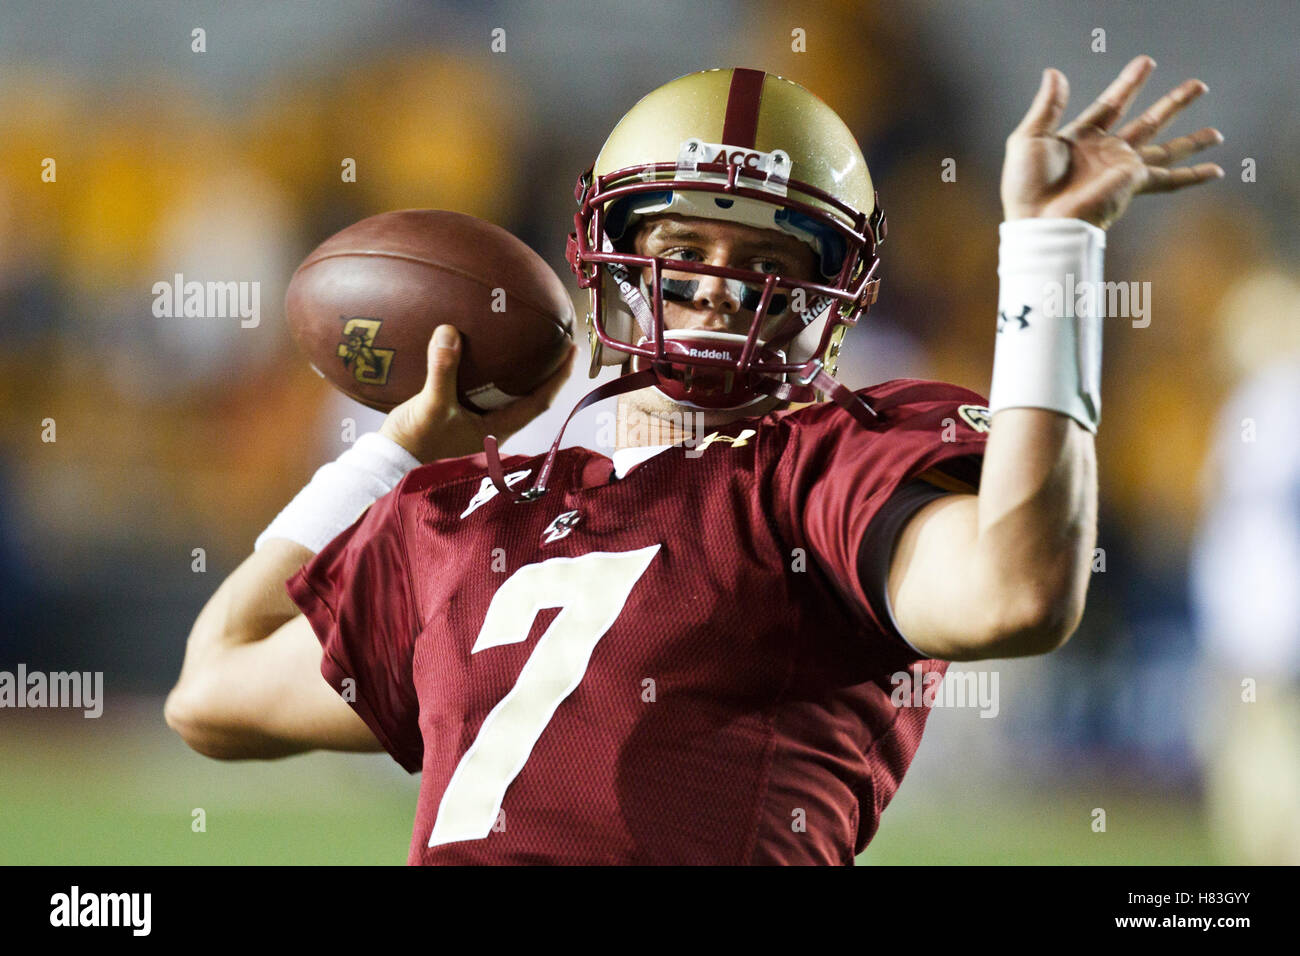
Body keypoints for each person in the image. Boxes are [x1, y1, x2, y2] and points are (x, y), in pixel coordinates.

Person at [166, 61, 1222, 864]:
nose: (721, 288)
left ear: (831, 295)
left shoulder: (821, 471)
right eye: (684, 251)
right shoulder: (471, 515)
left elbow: (1018, 592)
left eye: (767, 260)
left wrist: (1050, 251)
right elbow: (210, 688)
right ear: (613, 258)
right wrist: (393, 450)